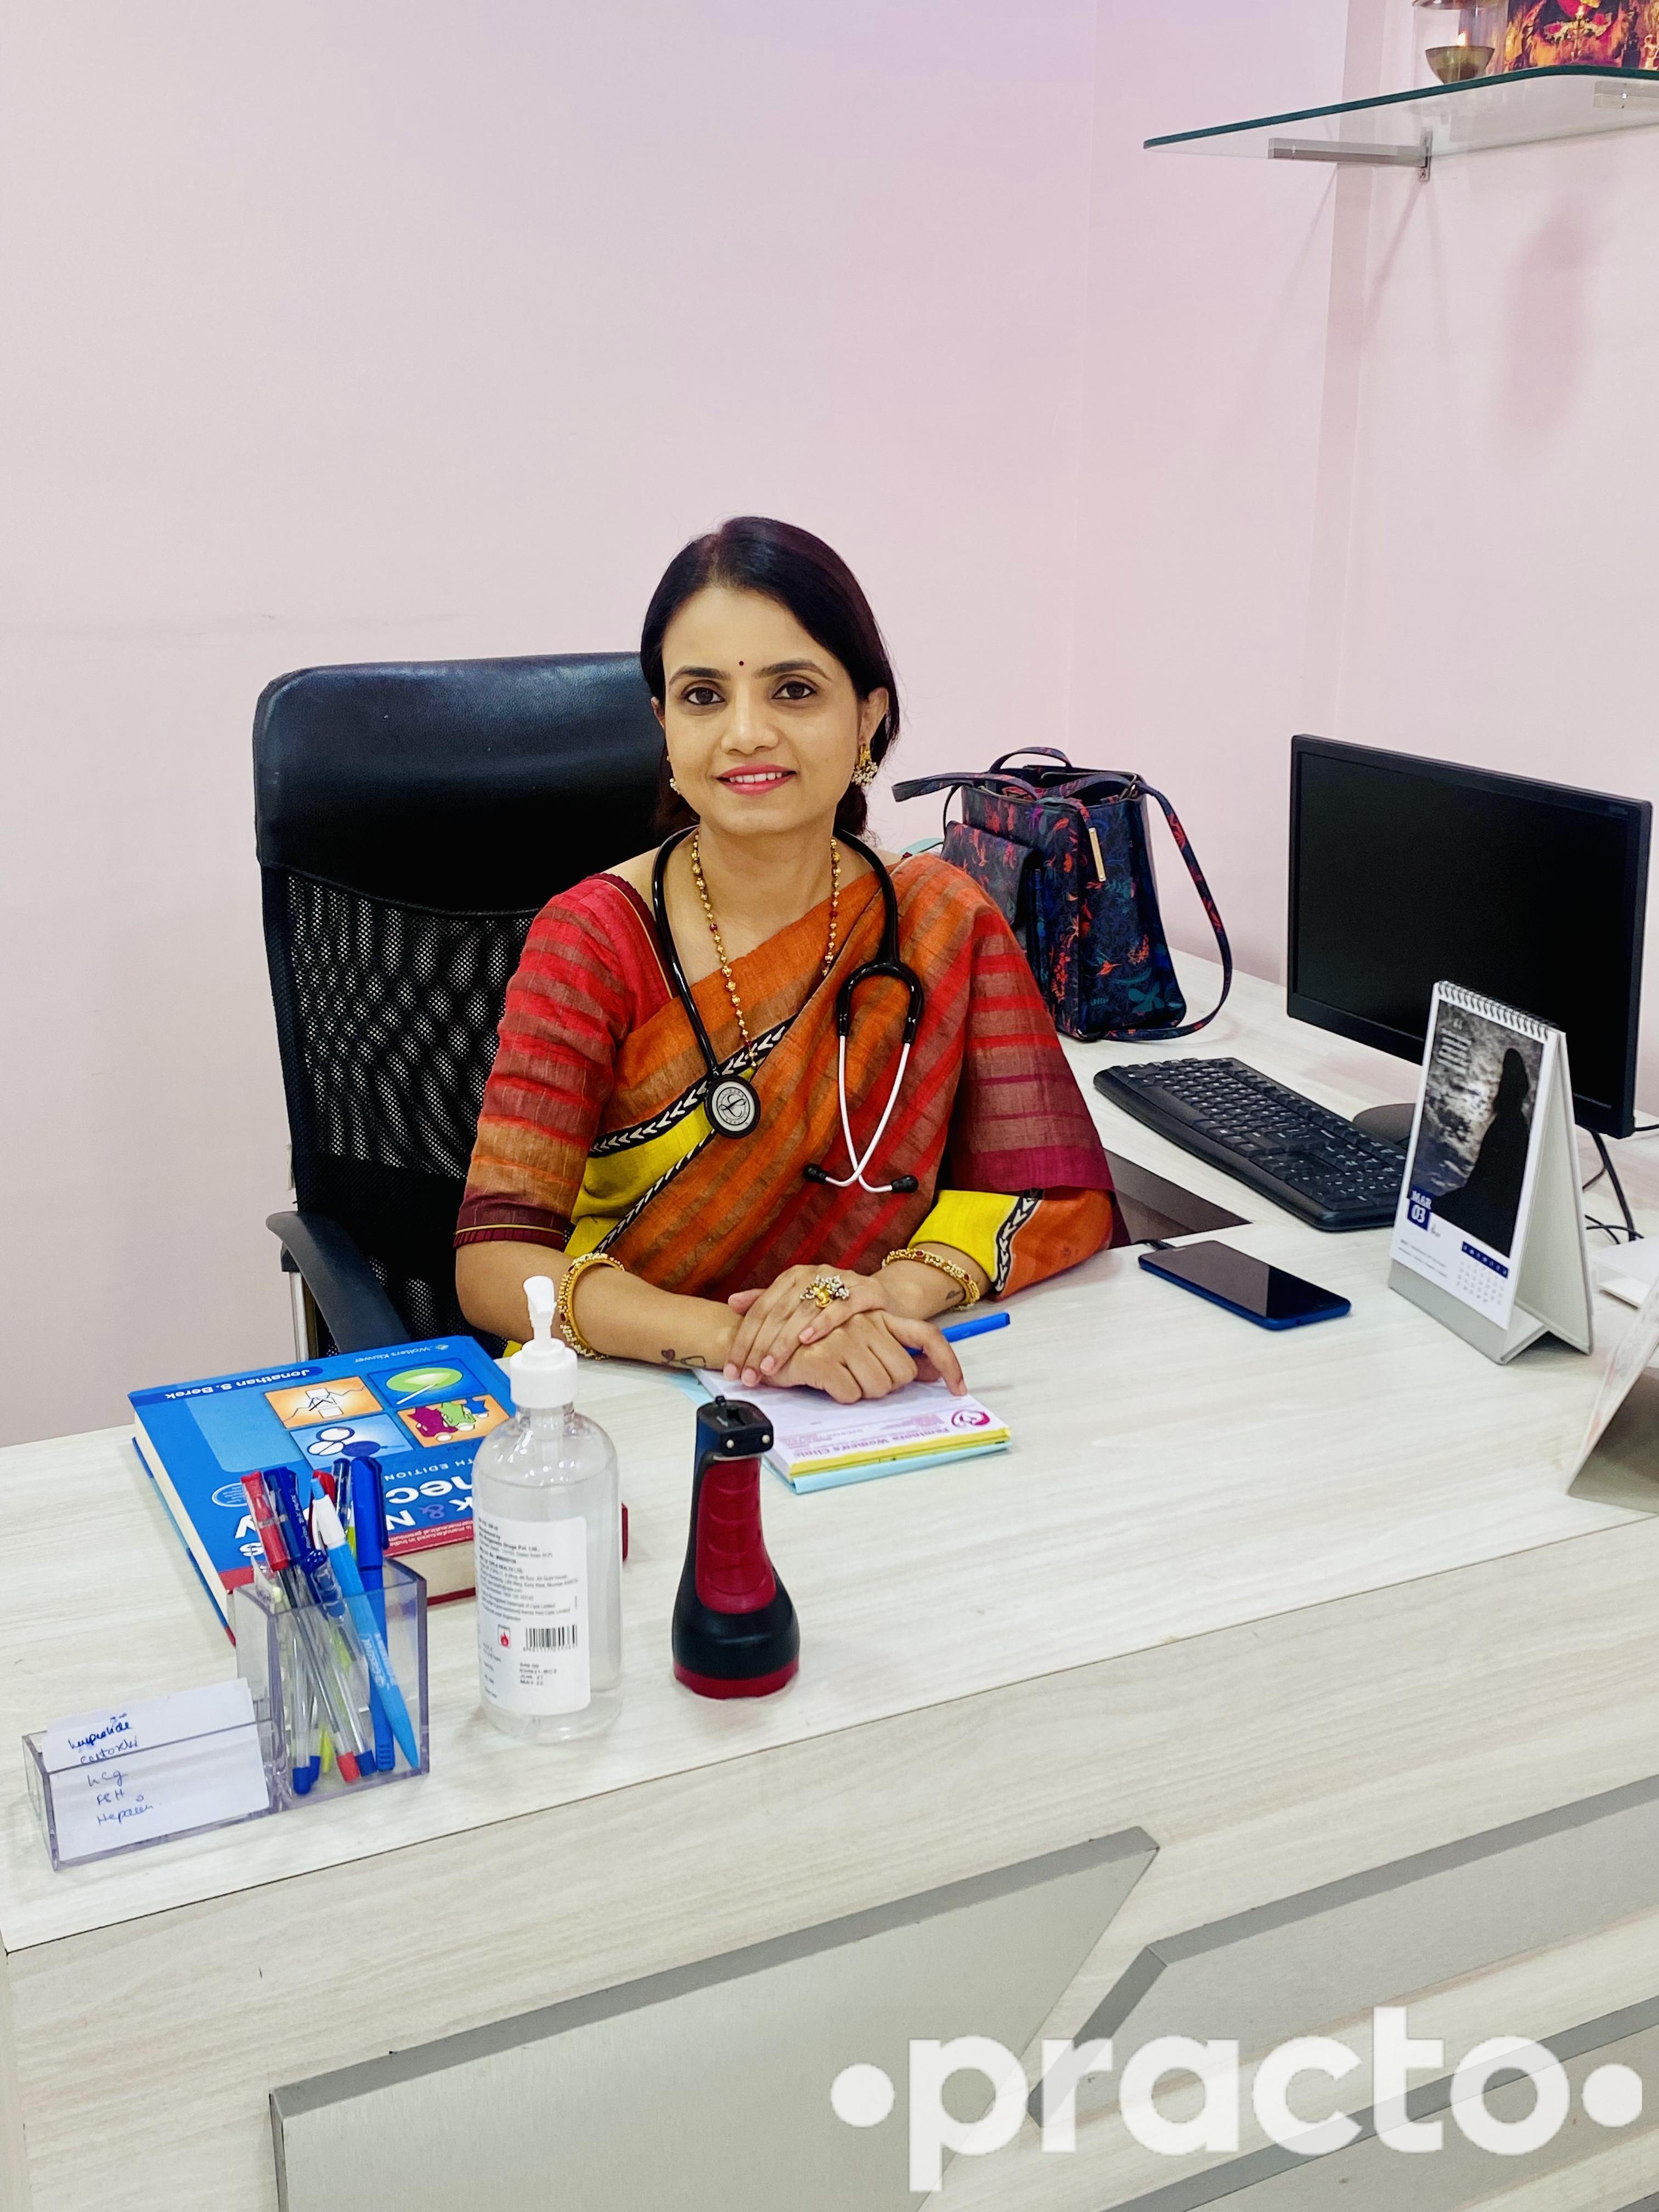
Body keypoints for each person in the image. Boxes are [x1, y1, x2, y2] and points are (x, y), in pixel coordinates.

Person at [455, 516, 1118, 1402]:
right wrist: (755, 1342)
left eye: (793, 690)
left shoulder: (943, 919)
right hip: (632, 1396)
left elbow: (1056, 1195)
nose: (744, 733)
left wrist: (885, 1294)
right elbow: (496, 1266)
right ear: (663, 726)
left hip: (875, 1382)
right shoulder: (593, 938)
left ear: (868, 719)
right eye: (702, 696)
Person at [1433, 1048, 1533, 1254]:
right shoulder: (1511, 1122)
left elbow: (1491, 1178)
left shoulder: (1510, 1123)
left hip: (1492, 1208)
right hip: (1488, 1203)